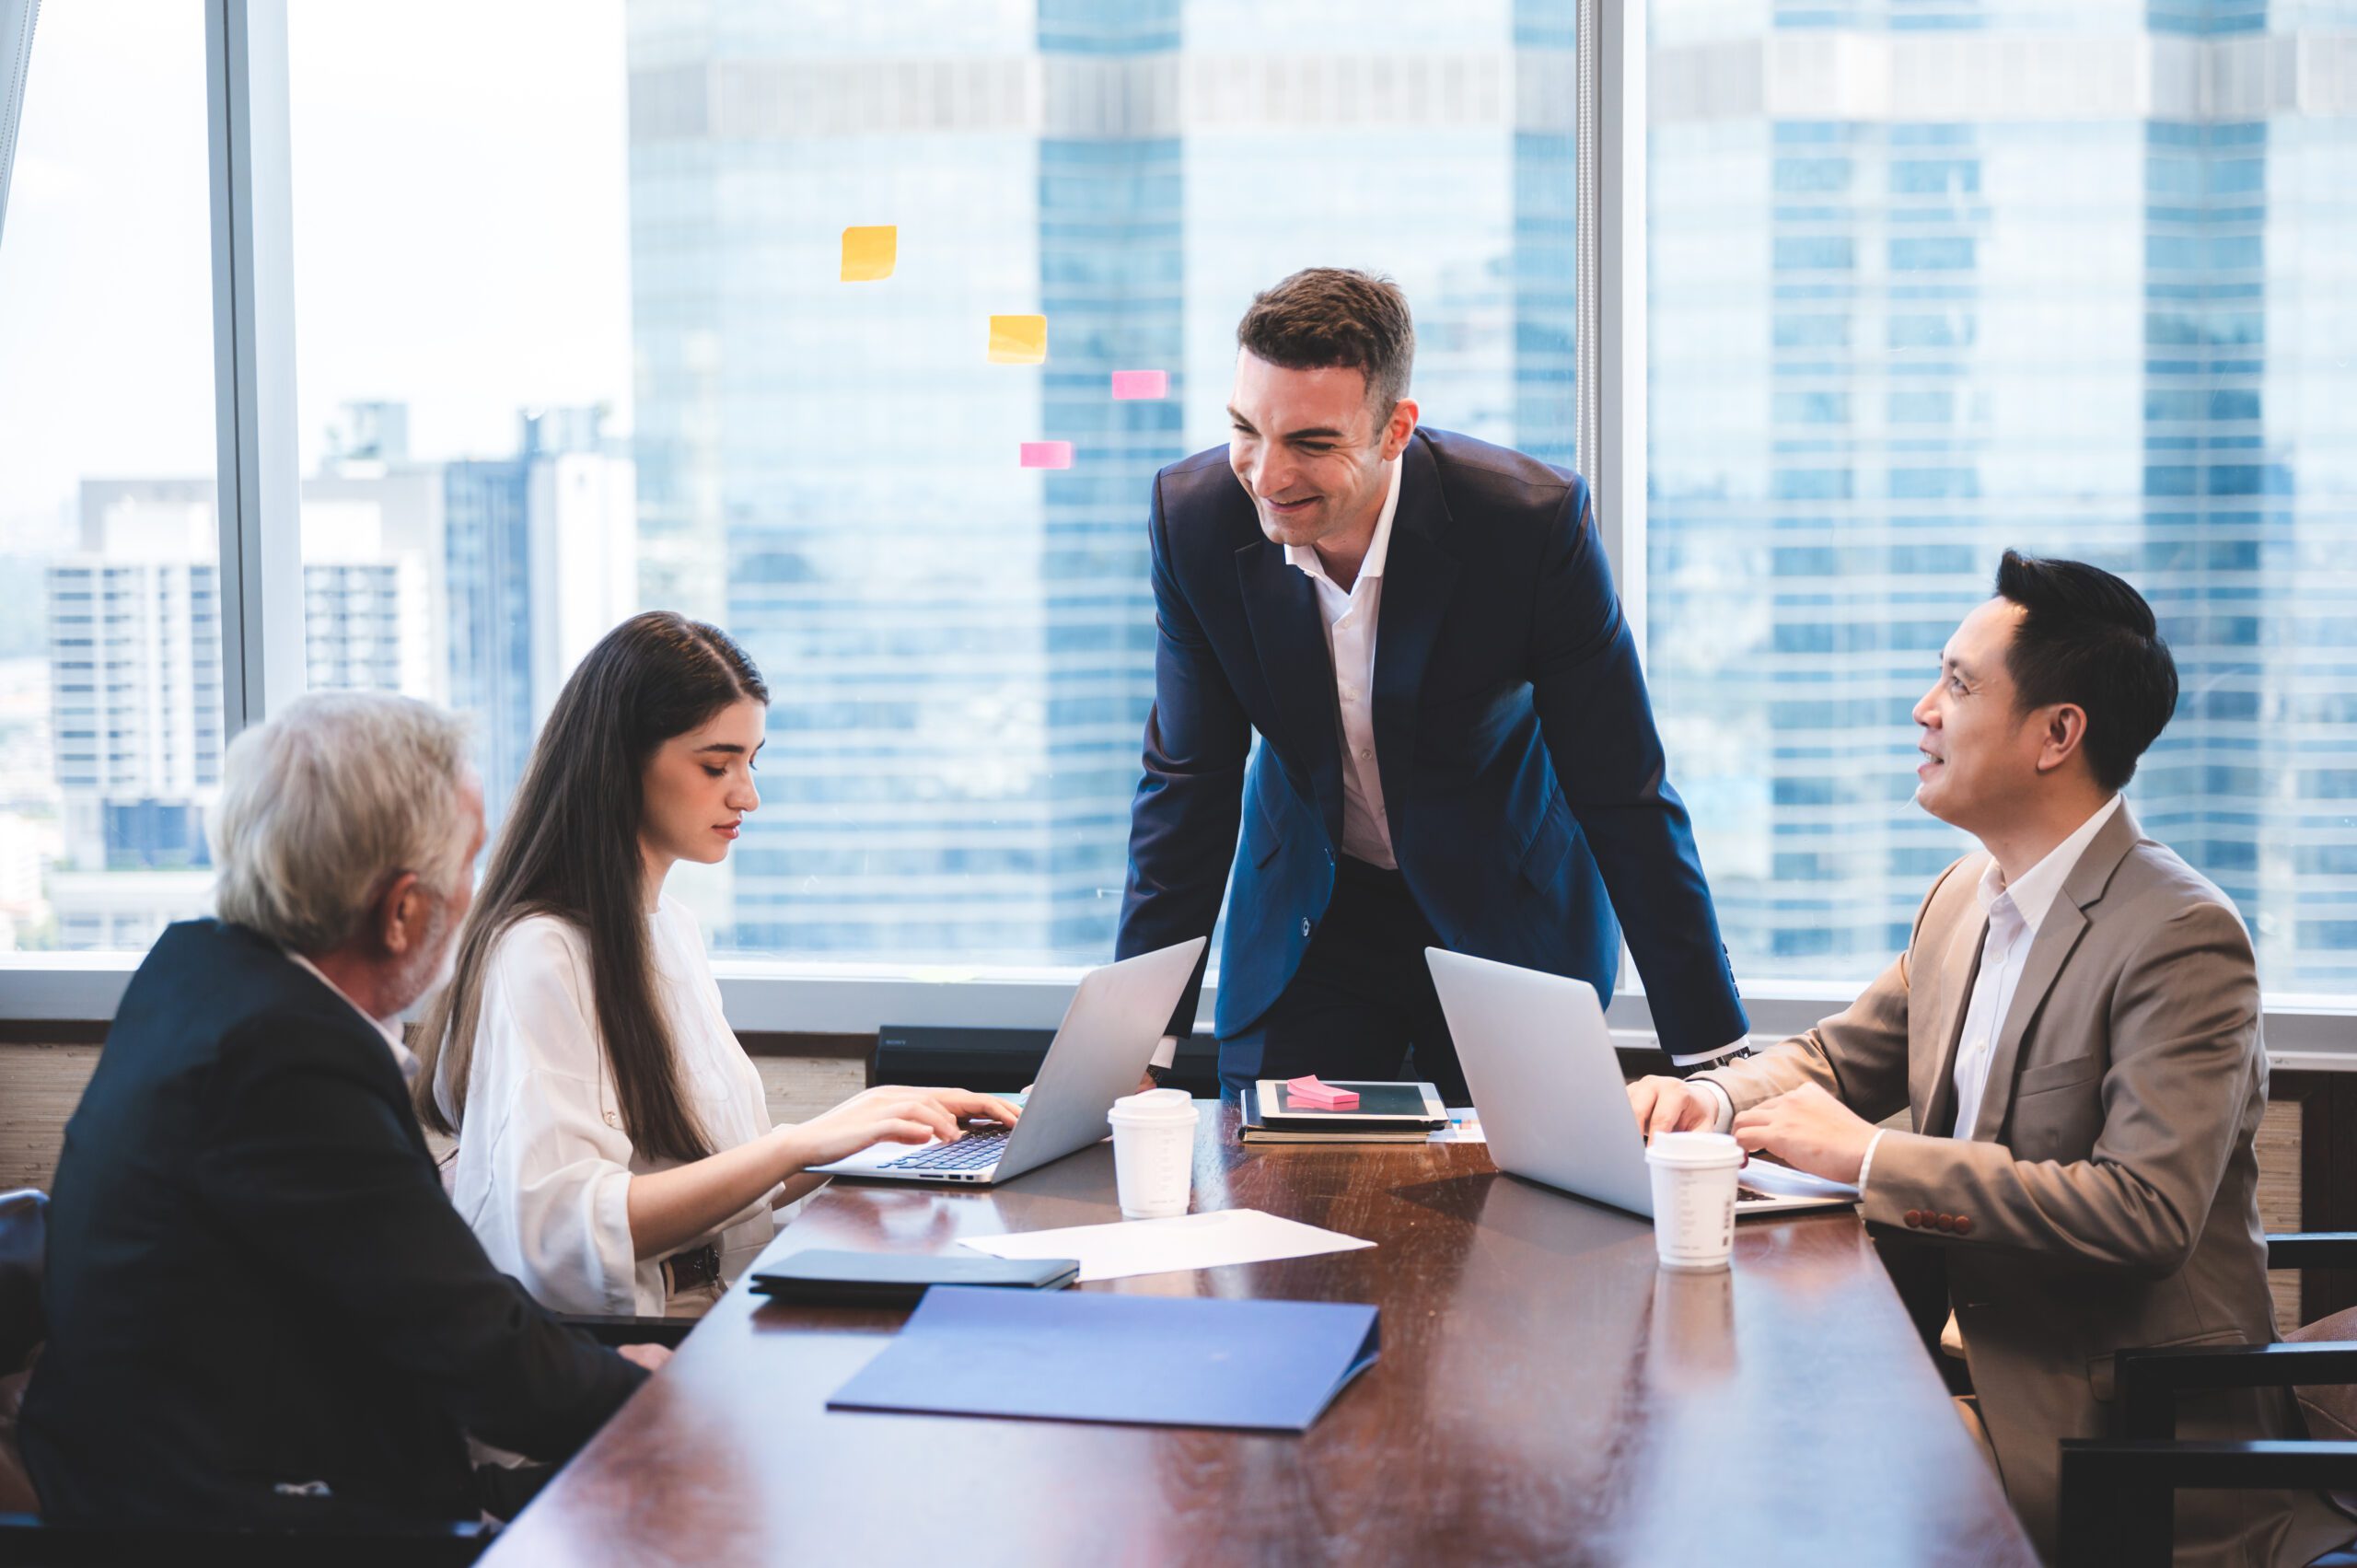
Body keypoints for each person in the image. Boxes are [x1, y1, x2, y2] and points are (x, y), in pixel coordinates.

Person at [1627, 552, 2351, 1566]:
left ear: (2058, 733)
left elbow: (2142, 1211)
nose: (1924, 708)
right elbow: (1839, 1061)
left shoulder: (2182, 933)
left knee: (1754, 1493)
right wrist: (1702, 1098)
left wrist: (1873, 1162)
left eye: (1959, 685)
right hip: (1941, 1363)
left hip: (2118, 1427)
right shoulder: (1965, 895)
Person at [18, 692, 658, 1529]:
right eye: (468, 864)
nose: (474, 895)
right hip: (256, 1519)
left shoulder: (195, 972)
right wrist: (657, 1395)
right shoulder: (285, 1060)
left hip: (196, 1472)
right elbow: (476, 1357)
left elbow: (432, 1294)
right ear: (401, 912)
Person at [1114, 266, 1747, 1103]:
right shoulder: (1193, 518)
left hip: (1504, 905)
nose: (1266, 476)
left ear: (1395, 430)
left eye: (1310, 443)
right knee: (1271, 1195)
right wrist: (1136, 1048)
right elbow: (1187, 786)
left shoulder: (1530, 526)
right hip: (1314, 907)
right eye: (1245, 430)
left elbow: (1622, 788)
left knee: (1526, 1213)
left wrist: (1719, 1063)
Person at [415, 611, 1020, 1318]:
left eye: (751, 761)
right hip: (638, 1334)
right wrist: (798, 1144)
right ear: (621, 761)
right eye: (716, 765)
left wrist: (868, 1123)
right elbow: (561, 1227)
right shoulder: (540, 953)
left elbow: (725, 1179)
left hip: (717, 1299)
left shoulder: (668, 929)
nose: (747, 795)